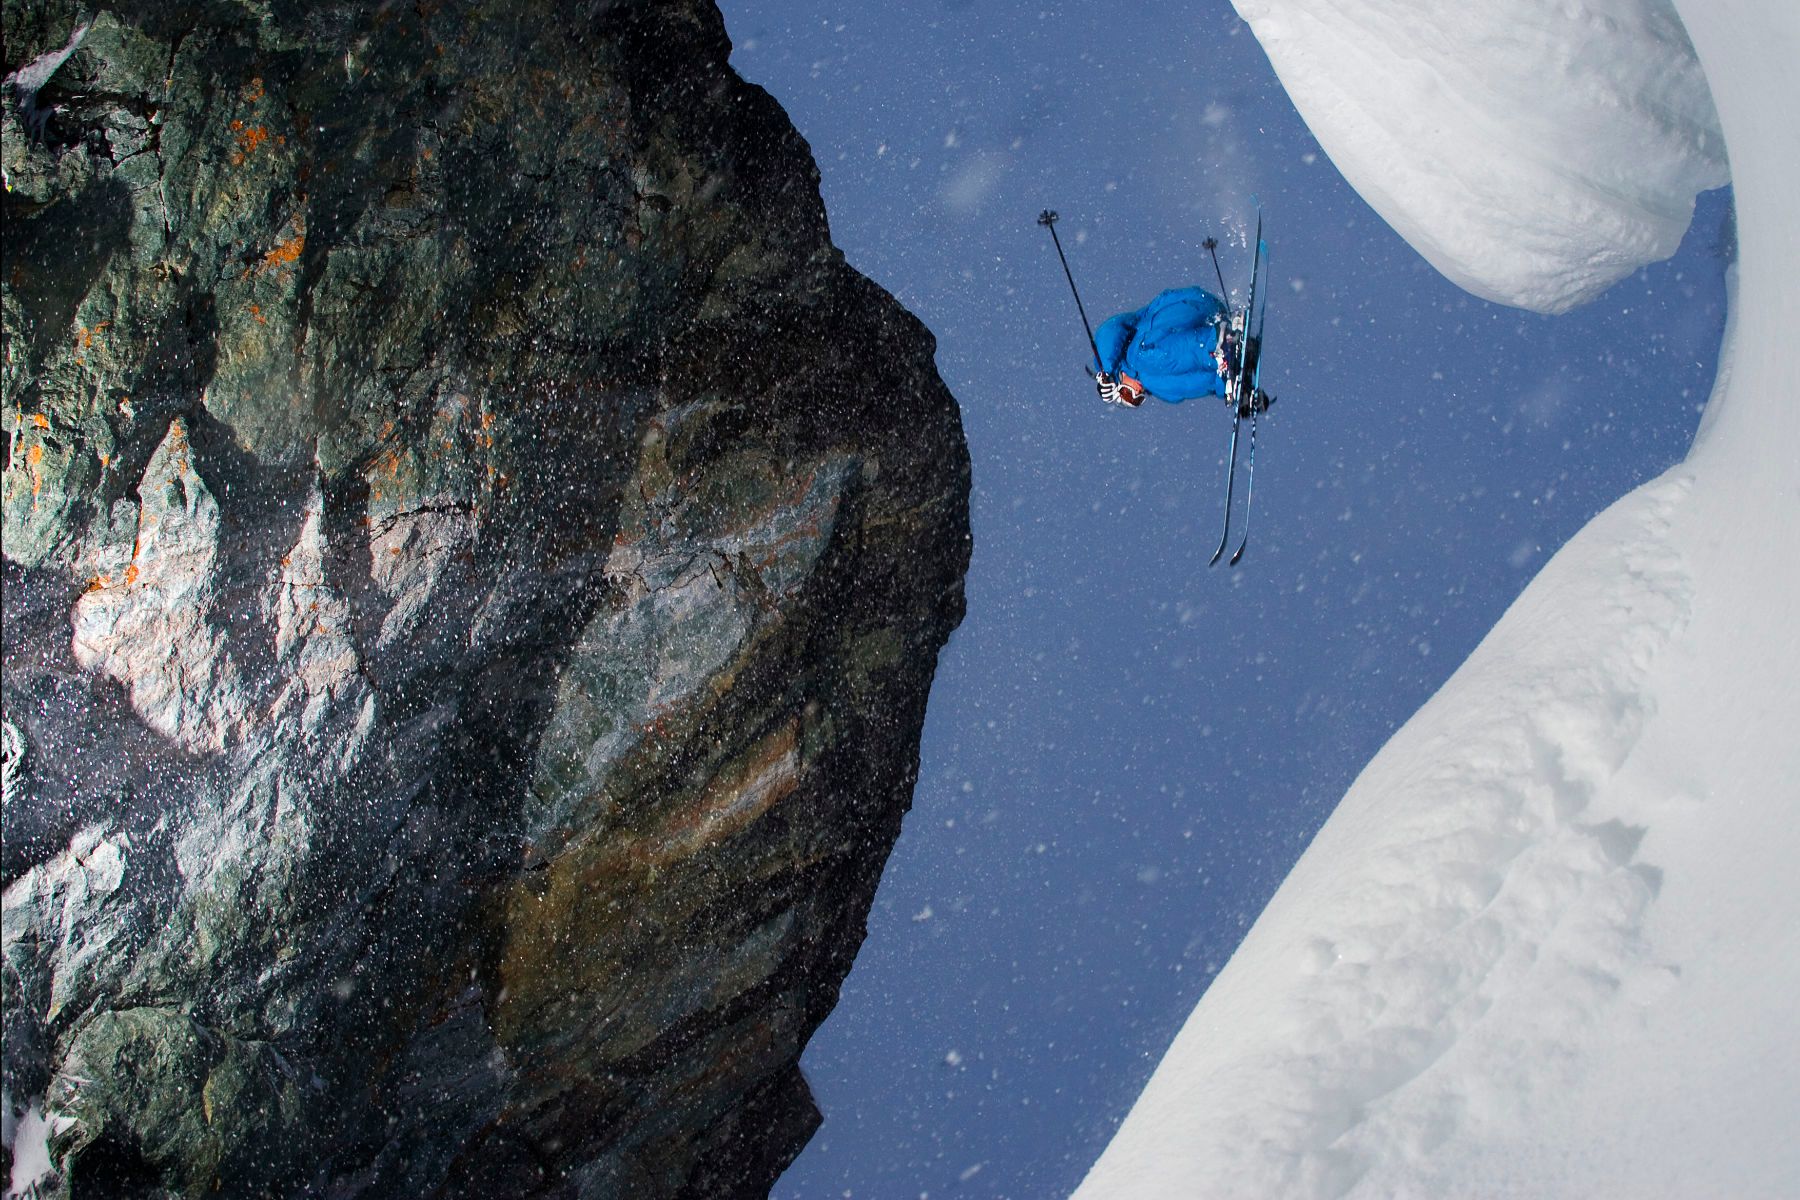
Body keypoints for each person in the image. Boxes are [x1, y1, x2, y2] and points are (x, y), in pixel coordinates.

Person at [1092, 285, 1271, 414]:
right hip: (1202, 328)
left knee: (1138, 358)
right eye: (1137, 400)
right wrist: (1233, 387)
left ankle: (1219, 341)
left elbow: (1108, 331)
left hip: (1188, 306)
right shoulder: (1151, 379)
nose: (1137, 392)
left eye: (1127, 393)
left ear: (1119, 381)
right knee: (1164, 387)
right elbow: (1191, 382)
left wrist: (1105, 370)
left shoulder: (1129, 353)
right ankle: (1227, 370)